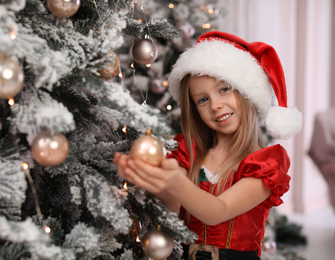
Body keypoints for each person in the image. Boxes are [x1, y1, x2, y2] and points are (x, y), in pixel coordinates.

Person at [113, 31, 302, 260]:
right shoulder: (189, 152)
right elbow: (172, 203)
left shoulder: (264, 164)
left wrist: (175, 181)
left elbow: (217, 212)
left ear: (247, 93)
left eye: (224, 89)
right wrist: (146, 176)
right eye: (203, 99)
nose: (215, 105)